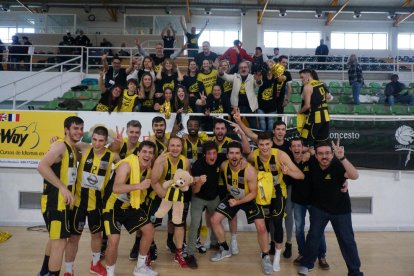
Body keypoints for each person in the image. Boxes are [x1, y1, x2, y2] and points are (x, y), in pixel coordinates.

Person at [298, 141, 363, 276]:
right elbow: (302, 154)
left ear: (332, 154)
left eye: (328, 153)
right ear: (316, 155)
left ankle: (355, 271)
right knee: (313, 236)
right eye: (321, 154)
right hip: (319, 208)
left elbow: (355, 176)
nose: (324, 156)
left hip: (341, 210)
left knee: (347, 240)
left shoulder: (338, 164)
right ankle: (307, 264)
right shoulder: (312, 164)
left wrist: (342, 158)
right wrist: (307, 152)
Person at [242, 132, 304, 272]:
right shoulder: (254, 155)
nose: (264, 147)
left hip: (278, 193)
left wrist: (288, 173)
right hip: (262, 194)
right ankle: (266, 253)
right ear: (257, 145)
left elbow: (300, 175)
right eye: (261, 144)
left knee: (277, 222)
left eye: (267, 144)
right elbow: (245, 157)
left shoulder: (281, 155)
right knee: (263, 225)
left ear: (272, 143)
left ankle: (276, 256)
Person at [210, 141, 273, 275]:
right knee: (214, 220)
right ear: (227, 155)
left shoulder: (249, 170)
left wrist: (238, 203)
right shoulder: (223, 165)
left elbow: (253, 193)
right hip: (232, 196)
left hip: (249, 199)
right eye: (231, 153)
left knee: (261, 227)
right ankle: (225, 249)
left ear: (241, 155)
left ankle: (265, 256)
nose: (234, 156)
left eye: (237, 153)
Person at [63, 126, 115, 276]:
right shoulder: (85, 148)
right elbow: (67, 143)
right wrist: (56, 139)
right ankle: (68, 270)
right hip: (79, 203)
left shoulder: (111, 156)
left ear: (106, 141)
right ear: (91, 139)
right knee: (73, 237)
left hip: (97, 205)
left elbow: (126, 161)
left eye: (101, 141)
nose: (97, 143)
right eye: (94, 140)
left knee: (96, 235)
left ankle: (95, 264)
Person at [37, 116, 84, 276]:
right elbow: (42, 166)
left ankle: (44, 272)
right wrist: (62, 187)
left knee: (54, 239)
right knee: (60, 243)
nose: (79, 131)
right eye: (75, 128)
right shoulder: (60, 146)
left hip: (63, 203)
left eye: (81, 128)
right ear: (66, 129)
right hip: (55, 203)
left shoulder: (71, 148)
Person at [103, 141, 158, 276]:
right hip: (113, 207)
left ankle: (140, 268)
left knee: (149, 230)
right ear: (138, 153)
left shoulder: (149, 167)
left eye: (150, 153)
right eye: (144, 151)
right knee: (114, 241)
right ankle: (110, 273)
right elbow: (116, 188)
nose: (147, 155)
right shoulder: (126, 165)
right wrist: (138, 186)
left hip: (130, 206)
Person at [287, 138, 330, 269]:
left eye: (298, 145)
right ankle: (303, 253)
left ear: (303, 148)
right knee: (299, 230)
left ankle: (321, 256)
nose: (296, 148)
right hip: (298, 202)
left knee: (318, 230)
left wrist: (310, 152)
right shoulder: (288, 162)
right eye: (293, 146)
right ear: (290, 149)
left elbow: (318, 153)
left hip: (314, 201)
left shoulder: (311, 159)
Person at [149, 137, 192, 267]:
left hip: (177, 197)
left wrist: (196, 180)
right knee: (152, 224)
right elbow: (154, 181)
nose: (175, 148)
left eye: (178, 146)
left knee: (179, 224)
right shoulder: (162, 160)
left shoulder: (185, 162)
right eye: (172, 145)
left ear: (181, 147)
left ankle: (179, 252)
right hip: (159, 194)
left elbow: (187, 181)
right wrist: (166, 196)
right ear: (168, 147)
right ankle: (150, 248)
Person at [185, 141, 227, 269]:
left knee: (216, 221)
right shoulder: (198, 165)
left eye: (214, 153)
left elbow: (237, 156)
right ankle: (190, 254)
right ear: (204, 155)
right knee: (195, 224)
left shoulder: (220, 158)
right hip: (198, 197)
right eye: (209, 154)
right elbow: (194, 191)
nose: (212, 156)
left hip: (214, 197)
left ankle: (215, 243)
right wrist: (199, 183)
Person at [219, 61, 263, 128]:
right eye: (241, 67)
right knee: (235, 126)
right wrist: (221, 73)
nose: (243, 69)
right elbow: (226, 77)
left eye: (245, 67)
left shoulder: (252, 77)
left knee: (254, 127)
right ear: (239, 69)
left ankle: (253, 138)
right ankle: (235, 138)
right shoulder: (235, 76)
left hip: (250, 107)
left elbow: (258, 84)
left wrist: (258, 80)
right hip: (237, 107)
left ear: (248, 69)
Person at [297, 69, 330, 146]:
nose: (301, 80)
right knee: (322, 141)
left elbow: (307, 106)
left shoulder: (307, 86)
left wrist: (299, 112)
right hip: (326, 116)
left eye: (302, 77)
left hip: (315, 117)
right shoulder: (322, 84)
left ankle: (310, 156)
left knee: (308, 140)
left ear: (308, 76)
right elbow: (328, 97)